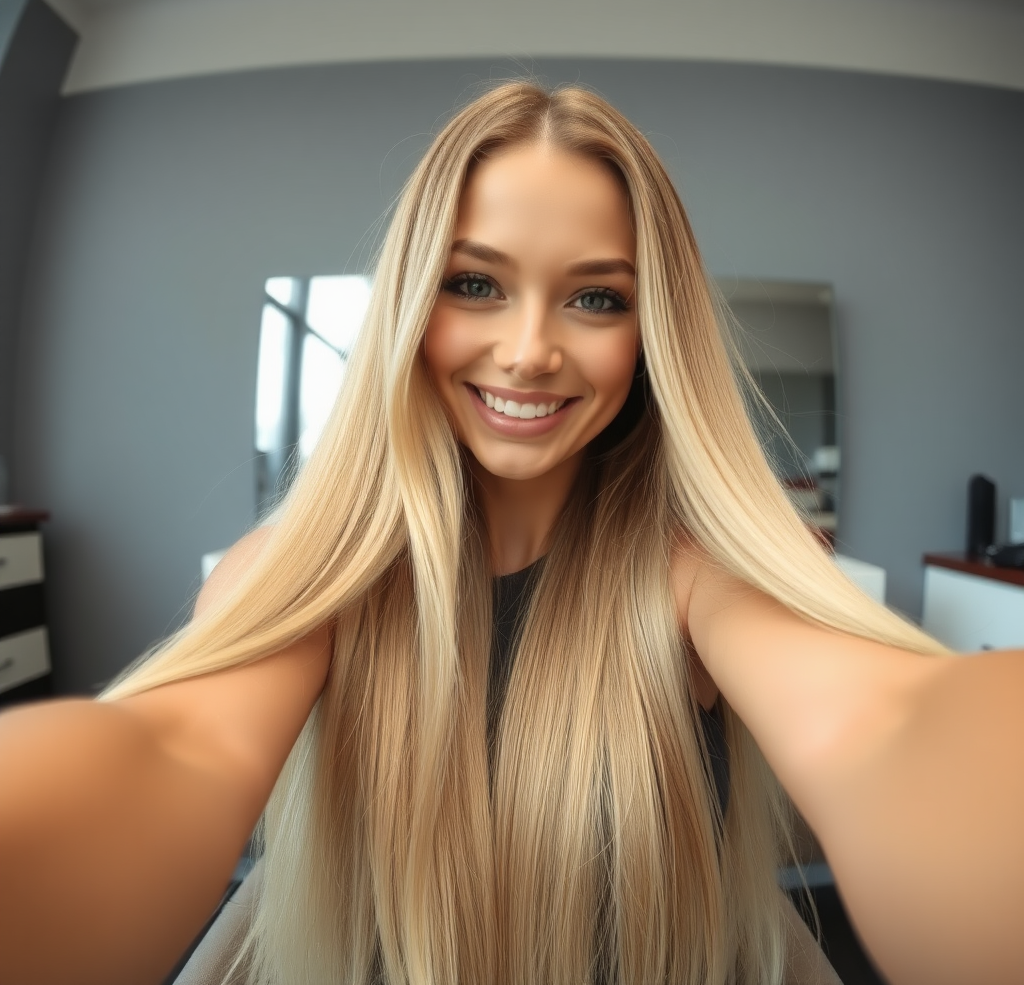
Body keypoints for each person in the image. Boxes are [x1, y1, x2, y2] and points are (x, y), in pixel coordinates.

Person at [0, 81, 1020, 985]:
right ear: (411, 300)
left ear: (649, 328)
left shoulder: (705, 570)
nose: (529, 352)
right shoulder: (303, 571)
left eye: (593, 298)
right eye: (475, 283)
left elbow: (878, 724)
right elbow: (176, 747)